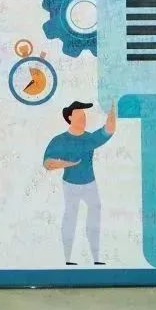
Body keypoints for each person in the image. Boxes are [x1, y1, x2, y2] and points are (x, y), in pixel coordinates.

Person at [43, 100, 117, 265]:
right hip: (70, 184)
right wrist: (66, 164)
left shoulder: (89, 139)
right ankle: (68, 259)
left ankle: (96, 258)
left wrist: (113, 108)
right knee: (71, 217)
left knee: (94, 217)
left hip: (90, 184)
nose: (83, 119)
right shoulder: (60, 140)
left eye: (84, 116)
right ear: (69, 117)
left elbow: (109, 129)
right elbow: (47, 163)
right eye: (79, 116)